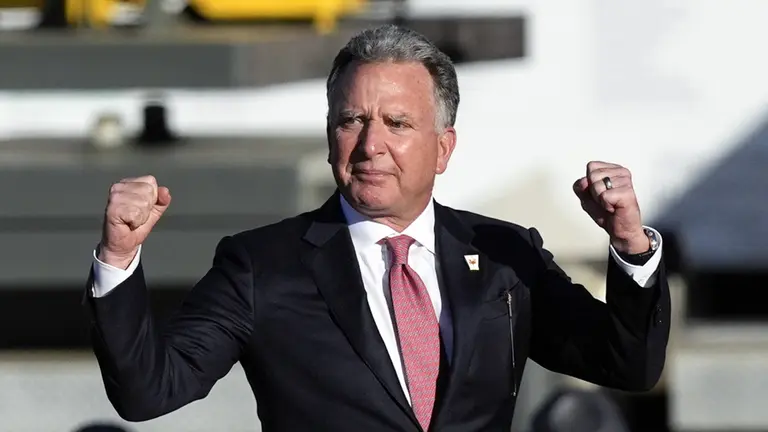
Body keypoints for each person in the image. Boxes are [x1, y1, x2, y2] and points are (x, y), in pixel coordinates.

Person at [85, 25, 670, 432]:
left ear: (443, 148)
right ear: (330, 136)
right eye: (352, 121)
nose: (371, 145)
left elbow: (627, 365)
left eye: (397, 123)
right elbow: (148, 391)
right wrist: (117, 258)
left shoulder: (502, 253)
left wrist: (630, 246)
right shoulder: (261, 266)